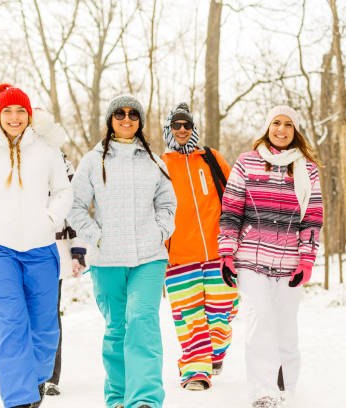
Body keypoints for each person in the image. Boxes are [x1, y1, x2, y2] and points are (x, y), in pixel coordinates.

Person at [0, 84, 73, 408]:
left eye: (20, 110)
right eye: (7, 111)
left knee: (45, 325)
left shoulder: (47, 150)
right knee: (9, 322)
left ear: (29, 114)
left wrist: (51, 219)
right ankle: (19, 398)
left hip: (40, 247)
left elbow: (64, 192)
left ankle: (35, 379)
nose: (14, 117)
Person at [68, 94, 176, 408]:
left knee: (142, 321)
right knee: (117, 327)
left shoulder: (155, 161)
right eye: (119, 113)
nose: (126, 119)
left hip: (149, 258)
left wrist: (159, 231)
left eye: (133, 114)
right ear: (110, 120)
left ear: (140, 121)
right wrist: (96, 237)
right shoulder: (92, 160)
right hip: (107, 258)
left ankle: (144, 400)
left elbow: (168, 204)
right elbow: (74, 207)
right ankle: (118, 396)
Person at [217, 105, 323, 407]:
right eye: (276, 123)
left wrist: (307, 260)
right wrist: (227, 253)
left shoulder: (307, 169)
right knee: (260, 320)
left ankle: (286, 385)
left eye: (288, 124)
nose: (281, 129)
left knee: (285, 326)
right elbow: (231, 210)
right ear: (267, 127)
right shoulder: (247, 163)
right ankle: (263, 391)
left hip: (290, 262)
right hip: (251, 259)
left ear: (295, 131)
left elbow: (312, 218)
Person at [160, 102, 239, 391]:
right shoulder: (160, 165)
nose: (182, 130)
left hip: (220, 254)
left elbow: (234, 198)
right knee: (190, 319)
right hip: (179, 258)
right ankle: (195, 370)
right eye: (176, 125)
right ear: (168, 129)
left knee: (222, 317)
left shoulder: (212, 159)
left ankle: (214, 353)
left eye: (187, 125)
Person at [44, 155, 87, 397]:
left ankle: (49, 376)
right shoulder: (8, 156)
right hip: (15, 249)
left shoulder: (61, 163)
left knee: (49, 314)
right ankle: (26, 371)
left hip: (53, 250)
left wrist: (78, 250)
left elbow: (74, 208)